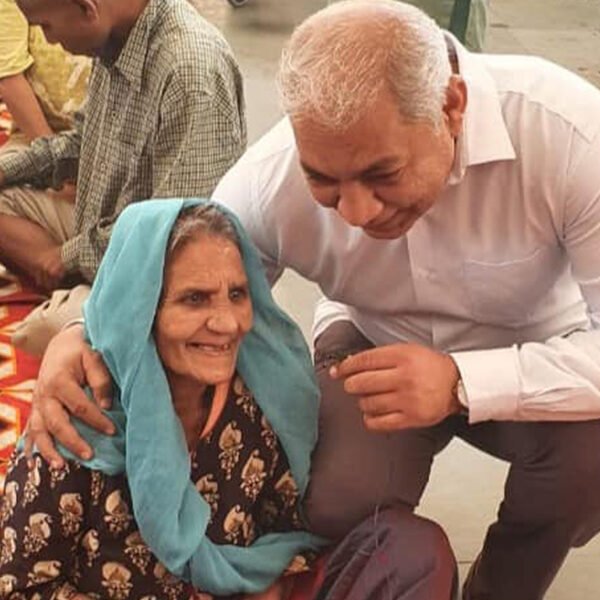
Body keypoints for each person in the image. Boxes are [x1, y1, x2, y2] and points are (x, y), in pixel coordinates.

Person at [28, 0, 600, 597]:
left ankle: (503, 584)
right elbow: (171, 276)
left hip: (542, 351)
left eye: (382, 175)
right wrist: (79, 336)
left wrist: (460, 381)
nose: (356, 212)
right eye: (324, 182)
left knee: (586, 468)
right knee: (334, 504)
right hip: (373, 342)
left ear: (451, 107)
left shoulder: (569, 135)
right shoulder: (271, 177)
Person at [0, 199, 328, 598]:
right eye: (195, 299)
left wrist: (267, 589)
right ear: (140, 310)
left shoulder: (257, 407)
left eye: (237, 294)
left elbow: (284, 527)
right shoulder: (74, 430)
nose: (227, 322)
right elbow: (21, 586)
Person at [0, 0, 245, 293]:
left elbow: (175, 230)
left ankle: (81, 298)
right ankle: (76, 288)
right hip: (104, 234)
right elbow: (82, 143)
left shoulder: (191, 70)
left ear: (88, 9)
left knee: (46, 325)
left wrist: (68, 257)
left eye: (46, 26)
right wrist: (6, 170)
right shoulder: (113, 41)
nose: (48, 40)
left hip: (157, 278)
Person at [0, 0, 90, 142]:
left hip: (105, 130)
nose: (51, 40)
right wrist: (50, 148)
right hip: (36, 133)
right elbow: (9, 76)